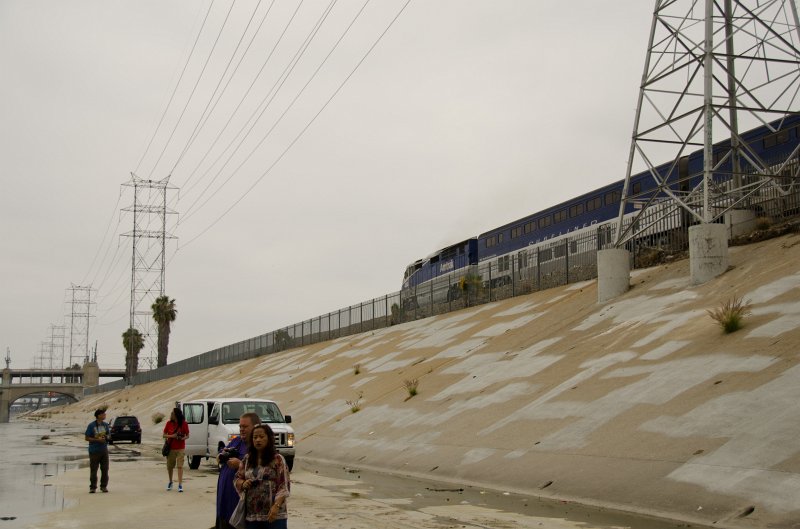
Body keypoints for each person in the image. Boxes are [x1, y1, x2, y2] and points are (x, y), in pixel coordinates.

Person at [234, 424, 290, 529]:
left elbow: (284, 486)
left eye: (261, 437)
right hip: (252, 516)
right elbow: (237, 478)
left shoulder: (278, 459)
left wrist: (276, 507)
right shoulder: (247, 459)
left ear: (269, 438)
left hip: (274, 516)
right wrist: (243, 483)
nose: (258, 440)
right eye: (255, 437)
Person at [216, 412, 260, 529]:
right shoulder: (236, 441)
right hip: (224, 502)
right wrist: (221, 456)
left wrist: (239, 464)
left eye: (245, 427)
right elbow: (221, 454)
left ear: (256, 427)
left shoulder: (257, 446)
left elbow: (261, 471)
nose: (241, 429)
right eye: (240, 426)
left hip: (239, 507)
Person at [162, 407, 190, 492]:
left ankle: (180, 484)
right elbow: (164, 435)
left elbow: (188, 435)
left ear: (176, 415)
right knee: (170, 466)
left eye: (172, 413)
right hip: (171, 448)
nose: (171, 415)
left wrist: (182, 438)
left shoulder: (184, 424)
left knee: (180, 466)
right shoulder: (168, 423)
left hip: (181, 448)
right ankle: (170, 482)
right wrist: (172, 436)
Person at [84, 408, 110, 493]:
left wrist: (107, 437)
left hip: (104, 450)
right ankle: (93, 487)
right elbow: (87, 438)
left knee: (105, 469)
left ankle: (103, 486)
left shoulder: (106, 425)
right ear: (98, 415)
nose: (105, 416)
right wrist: (97, 440)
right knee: (94, 470)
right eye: (103, 414)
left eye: (105, 414)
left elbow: (108, 435)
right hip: (94, 450)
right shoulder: (91, 425)